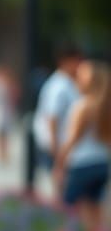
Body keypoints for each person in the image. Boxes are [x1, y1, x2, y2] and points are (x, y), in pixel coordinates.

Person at [52, 58, 111, 231]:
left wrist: (59, 163)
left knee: (67, 209)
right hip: (101, 162)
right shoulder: (104, 106)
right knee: (95, 212)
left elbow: (72, 140)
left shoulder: (83, 106)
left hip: (82, 163)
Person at [33, 45, 82, 180]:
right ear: (65, 61)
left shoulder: (66, 83)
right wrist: (57, 156)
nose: (79, 65)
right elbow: (52, 119)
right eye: (77, 61)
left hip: (61, 148)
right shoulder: (59, 86)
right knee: (61, 189)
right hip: (56, 147)